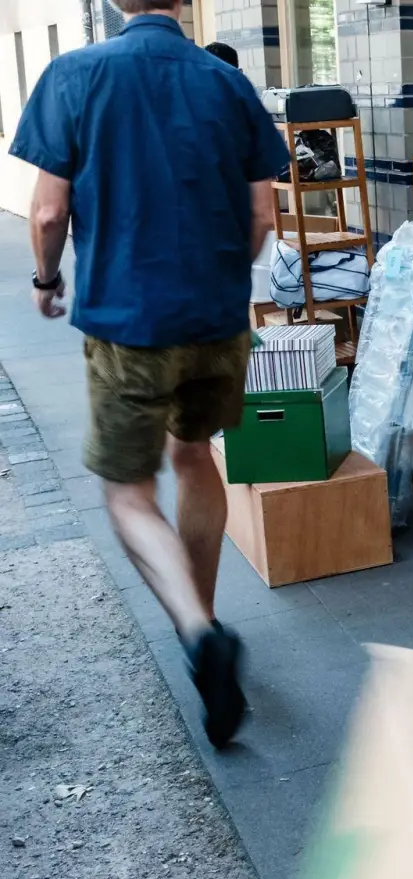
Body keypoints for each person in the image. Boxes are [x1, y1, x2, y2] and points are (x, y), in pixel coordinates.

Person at [11, 0, 287, 748]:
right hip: (217, 317)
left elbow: (45, 213)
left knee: (128, 493)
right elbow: (263, 217)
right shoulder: (226, 82)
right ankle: (203, 620)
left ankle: (198, 634)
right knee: (194, 457)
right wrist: (225, 280)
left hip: (128, 320)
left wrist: (46, 282)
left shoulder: (74, 74)